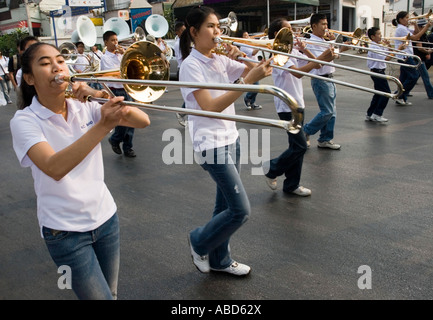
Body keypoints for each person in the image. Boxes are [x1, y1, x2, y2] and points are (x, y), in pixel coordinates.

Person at [9, 42, 150, 299]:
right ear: (29, 78)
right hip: (64, 231)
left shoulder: (85, 104)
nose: (57, 67)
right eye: (45, 63)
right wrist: (102, 126)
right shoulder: (24, 121)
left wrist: (102, 96)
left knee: (111, 293)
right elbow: (54, 167)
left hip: (105, 218)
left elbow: (142, 121)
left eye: (60, 61)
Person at [179, 5, 272, 276]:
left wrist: (243, 55)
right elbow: (209, 107)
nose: (218, 32)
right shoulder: (190, 65)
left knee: (224, 206)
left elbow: (263, 69)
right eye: (211, 26)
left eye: (219, 26)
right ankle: (198, 241)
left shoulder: (219, 58)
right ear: (194, 32)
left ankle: (220, 260)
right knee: (240, 209)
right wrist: (246, 82)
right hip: (210, 144)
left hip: (231, 138)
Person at [263, 18, 334, 196]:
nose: (292, 33)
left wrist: (305, 49)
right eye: (287, 30)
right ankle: (272, 168)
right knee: (300, 146)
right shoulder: (278, 53)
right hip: (287, 105)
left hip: (297, 103)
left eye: (291, 29)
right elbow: (297, 72)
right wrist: (321, 57)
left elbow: (317, 65)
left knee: (297, 147)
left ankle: (291, 185)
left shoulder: (293, 50)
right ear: (277, 35)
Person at [302, 13, 346, 150]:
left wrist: (335, 43)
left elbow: (336, 56)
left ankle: (325, 139)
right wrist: (330, 48)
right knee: (327, 111)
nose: (326, 27)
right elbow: (318, 62)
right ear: (314, 26)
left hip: (329, 77)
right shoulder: (311, 42)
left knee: (332, 112)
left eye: (327, 24)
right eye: (323, 24)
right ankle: (306, 131)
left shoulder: (324, 40)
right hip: (320, 79)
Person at [100, 30, 137, 158]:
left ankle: (128, 147)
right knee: (122, 119)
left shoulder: (121, 55)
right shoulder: (105, 58)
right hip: (116, 90)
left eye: (116, 40)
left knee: (131, 118)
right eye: (112, 40)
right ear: (106, 42)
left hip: (127, 88)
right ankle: (115, 139)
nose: (115, 43)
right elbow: (115, 73)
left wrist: (126, 54)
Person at [365, 27, 406, 122]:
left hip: (379, 71)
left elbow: (389, 53)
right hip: (377, 72)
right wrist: (398, 49)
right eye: (378, 34)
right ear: (372, 36)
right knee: (386, 93)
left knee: (378, 94)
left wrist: (389, 46)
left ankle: (370, 113)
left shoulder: (378, 45)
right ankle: (377, 114)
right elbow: (387, 58)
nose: (381, 36)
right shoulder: (374, 47)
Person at [392, 11, 432, 105]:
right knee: (414, 76)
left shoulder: (404, 28)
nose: (408, 19)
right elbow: (415, 37)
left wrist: (415, 25)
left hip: (407, 55)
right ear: (400, 19)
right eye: (406, 17)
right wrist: (426, 26)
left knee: (403, 79)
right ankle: (399, 95)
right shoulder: (401, 29)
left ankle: (401, 97)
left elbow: (417, 34)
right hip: (405, 56)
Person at [239, 30, 262, 110]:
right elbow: (253, 53)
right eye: (245, 35)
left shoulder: (250, 44)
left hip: (254, 67)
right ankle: (247, 98)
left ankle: (252, 103)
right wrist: (260, 45)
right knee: (256, 87)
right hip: (248, 68)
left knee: (256, 87)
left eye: (247, 35)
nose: (247, 37)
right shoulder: (243, 46)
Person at [412, 20, 433, 100]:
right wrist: (428, 52)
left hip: (421, 58)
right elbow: (420, 47)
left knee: (412, 77)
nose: (425, 28)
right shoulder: (417, 35)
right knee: (425, 77)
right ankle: (431, 94)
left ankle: (403, 92)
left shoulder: (423, 35)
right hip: (418, 58)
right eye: (423, 26)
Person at [174, 21, 188, 127]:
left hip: (186, 69)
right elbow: (184, 57)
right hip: (184, 70)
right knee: (192, 94)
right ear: (177, 32)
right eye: (182, 30)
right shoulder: (179, 43)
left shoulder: (183, 41)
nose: (184, 32)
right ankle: (181, 113)